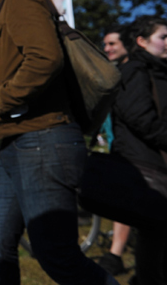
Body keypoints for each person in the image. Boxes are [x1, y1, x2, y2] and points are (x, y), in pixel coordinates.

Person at [0, 0, 118, 284]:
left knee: (57, 255)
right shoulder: (1, 2)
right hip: (17, 141)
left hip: (44, 139)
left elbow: (46, 58)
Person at [111, 15, 167, 285]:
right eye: (163, 37)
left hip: (155, 163)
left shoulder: (155, 69)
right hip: (146, 166)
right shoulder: (135, 70)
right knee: (153, 234)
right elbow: (141, 118)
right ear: (142, 42)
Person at [97, 26, 132, 276]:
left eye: (112, 44)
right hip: (116, 146)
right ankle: (116, 253)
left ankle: (116, 254)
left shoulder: (134, 75)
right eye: (105, 44)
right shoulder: (115, 75)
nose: (107, 49)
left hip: (135, 149)